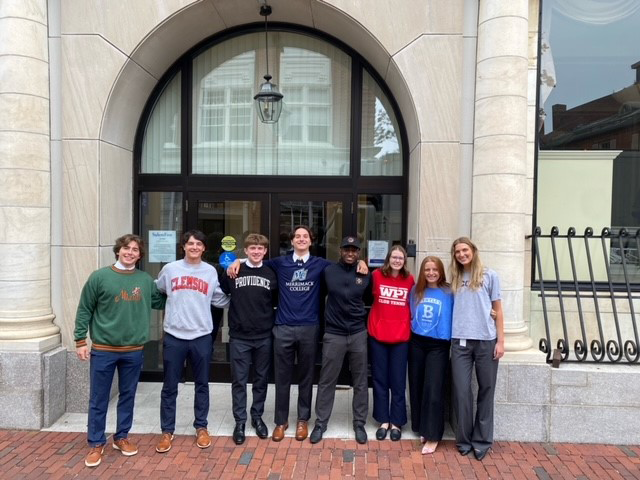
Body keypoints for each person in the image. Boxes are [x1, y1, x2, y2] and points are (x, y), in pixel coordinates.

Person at [227, 225, 367, 442]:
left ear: (311, 241)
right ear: (291, 241)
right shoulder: (279, 263)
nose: (301, 239)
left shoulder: (321, 265)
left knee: (306, 377)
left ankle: (303, 420)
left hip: (309, 328)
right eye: (297, 236)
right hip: (282, 327)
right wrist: (238, 261)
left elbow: (344, 266)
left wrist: (361, 262)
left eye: (305, 236)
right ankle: (281, 421)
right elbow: (255, 262)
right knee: (281, 377)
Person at [74, 234, 166, 468]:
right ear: (118, 251)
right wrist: (80, 341)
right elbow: (85, 308)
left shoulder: (145, 280)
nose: (130, 252)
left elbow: (161, 301)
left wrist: (183, 287)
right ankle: (96, 442)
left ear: (140, 255)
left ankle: (121, 437)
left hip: (134, 350)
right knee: (99, 398)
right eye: (126, 248)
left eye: (135, 249)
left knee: (128, 395)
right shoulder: (100, 277)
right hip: (104, 349)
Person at [154, 230, 230, 453]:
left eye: (199, 243)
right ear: (183, 247)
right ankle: (167, 431)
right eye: (190, 243)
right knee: (169, 386)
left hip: (201, 336)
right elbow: (159, 288)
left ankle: (201, 427)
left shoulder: (210, 272)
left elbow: (219, 298)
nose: (194, 247)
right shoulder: (170, 269)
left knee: (202, 384)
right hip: (174, 336)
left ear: (204, 248)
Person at [309, 236, 371, 445]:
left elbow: (371, 300)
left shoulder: (365, 273)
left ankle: (359, 423)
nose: (350, 253)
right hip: (334, 334)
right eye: (347, 249)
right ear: (341, 251)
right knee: (327, 380)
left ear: (359, 252)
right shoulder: (328, 271)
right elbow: (319, 298)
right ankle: (320, 423)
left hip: (358, 333)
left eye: (354, 250)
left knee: (361, 381)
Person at [449, 237, 504, 461]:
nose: (462, 254)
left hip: (486, 340)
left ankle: (482, 441)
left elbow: (498, 310)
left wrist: (501, 341)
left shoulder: (490, 275)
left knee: (486, 390)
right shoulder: (453, 278)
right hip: (460, 341)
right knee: (462, 392)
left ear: (473, 250)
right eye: (457, 252)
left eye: (465, 250)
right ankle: (463, 439)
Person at [220, 233, 278, 445]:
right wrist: (236, 262)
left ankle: (257, 416)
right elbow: (222, 294)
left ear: (265, 251)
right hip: (239, 336)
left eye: (260, 248)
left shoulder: (272, 273)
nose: (256, 252)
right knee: (239, 380)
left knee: (261, 379)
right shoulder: (233, 271)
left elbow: (275, 300)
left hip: (264, 335)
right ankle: (240, 421)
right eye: (252, 248)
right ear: (245, 251)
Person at [368, 245, 415, 441]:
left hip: (401, 337)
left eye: (400, 258)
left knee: (397, 381)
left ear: (404, 261)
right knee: (379, 379)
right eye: (394, 257)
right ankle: (383, 420)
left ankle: (396, 421)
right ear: (388, 259)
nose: (397, 260)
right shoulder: (377, 275)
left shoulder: (410, 280)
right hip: (378, 335)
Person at [408, 256, 453, 455]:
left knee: (433, 389)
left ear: (441, 271)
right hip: (417, 341)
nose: (431, 273)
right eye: (427, 269)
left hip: (439, 344)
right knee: (416, 385)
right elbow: (410, 313)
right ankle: (421, 427)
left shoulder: (450, 291)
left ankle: (433, 435)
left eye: (435, 269)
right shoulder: (416, 289)